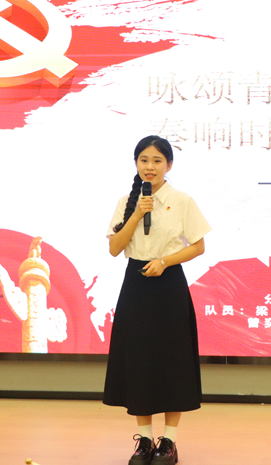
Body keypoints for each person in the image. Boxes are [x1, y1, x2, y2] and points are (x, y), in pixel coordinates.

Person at [103, 135, 211, 465]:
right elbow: (115, 248)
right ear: (136, 163)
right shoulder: (127, 201)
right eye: (144, 160)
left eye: (157, 161)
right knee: (139, 360)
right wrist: (136, 214)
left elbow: (198, 246)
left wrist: (165, 261)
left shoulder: (182, 200)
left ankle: (169, 442)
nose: (150, 167)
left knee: (172, 361)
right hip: (136, 284)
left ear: (169, 165)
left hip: (169, 284)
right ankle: (145, 441)